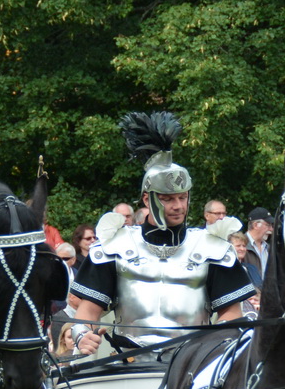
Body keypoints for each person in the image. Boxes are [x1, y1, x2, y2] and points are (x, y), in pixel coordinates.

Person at [67, 114, 251, 352]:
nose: (178, 206)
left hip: (193, 363)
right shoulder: (114, 245)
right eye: (167, 199)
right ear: (147, 198)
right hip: (127, 362)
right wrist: (82, 334)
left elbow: (232, 313)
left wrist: (220, 340)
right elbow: (88, 310)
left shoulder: (212, 248)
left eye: (182, 197)